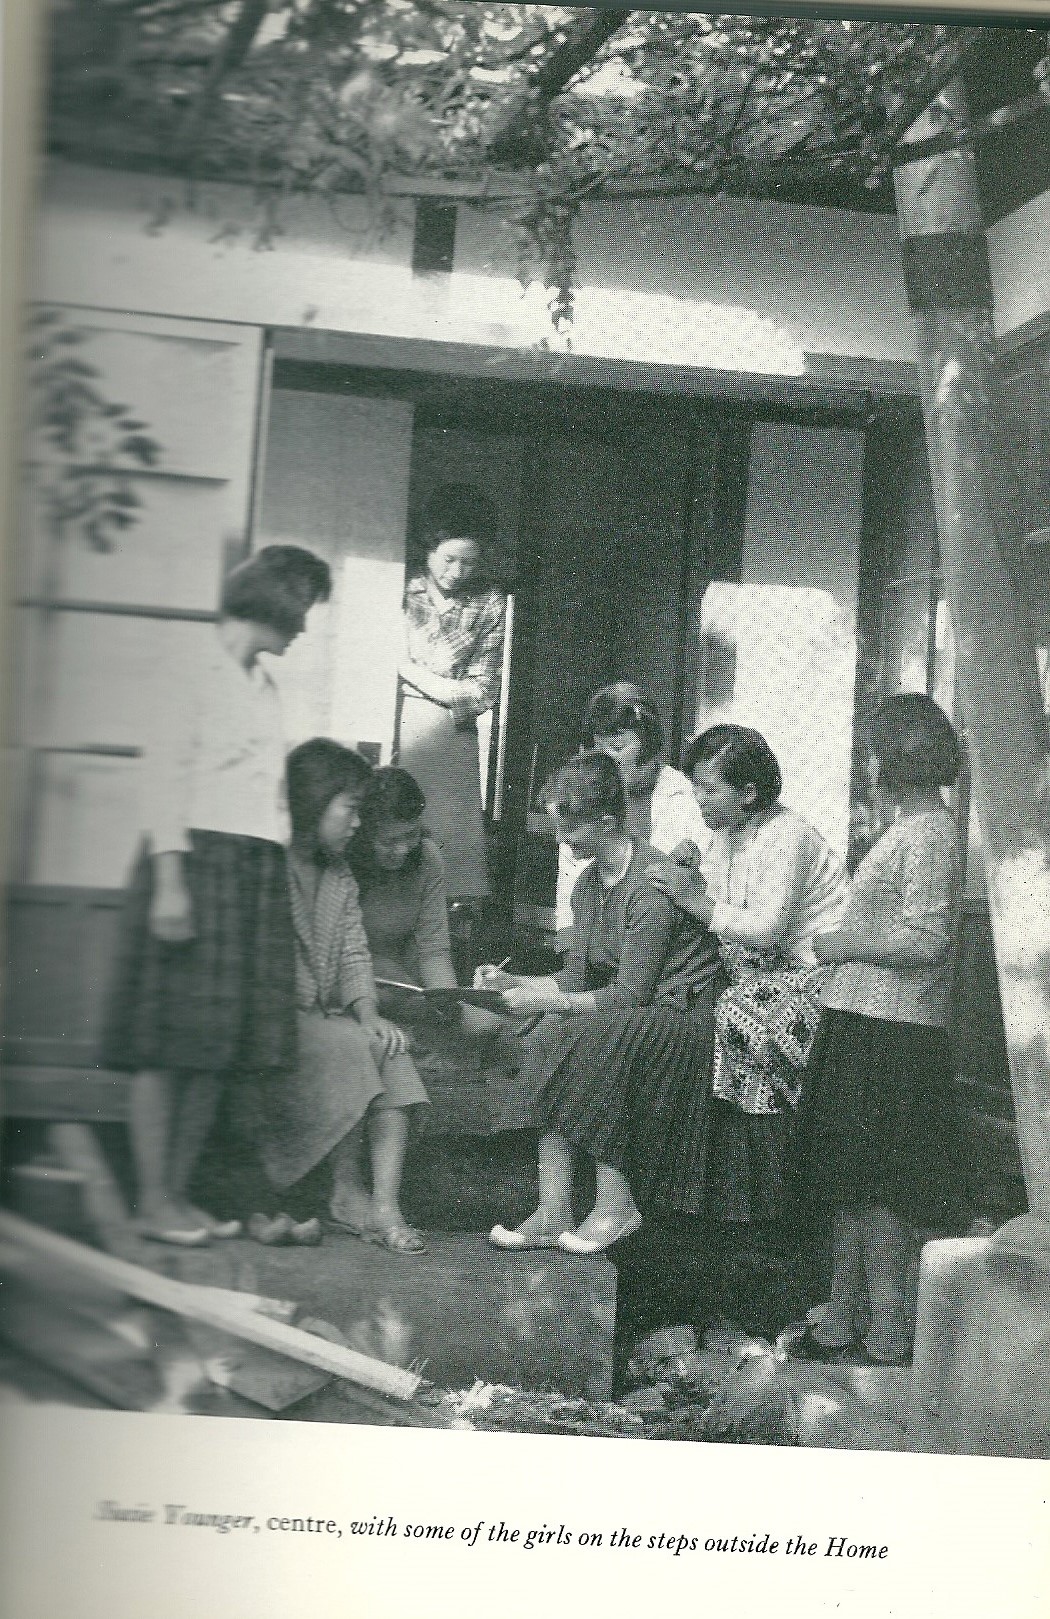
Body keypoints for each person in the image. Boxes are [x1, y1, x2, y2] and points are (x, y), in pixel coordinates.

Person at [99, 545, 332, 1245]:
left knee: (216, 1047)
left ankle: (173, 1194)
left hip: (251, 871)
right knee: (168, 1042)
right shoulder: (188, 671)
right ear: (276, 599)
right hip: (193, 864)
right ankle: (151, 1197)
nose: (304, 628)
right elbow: (163, 780)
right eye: (303, 610)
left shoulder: (263, 684)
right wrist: (171, 881)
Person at [481, 752, 721, 1256]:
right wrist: (511, 983)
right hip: (632, 1009)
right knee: (554, 1035)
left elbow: (630, 993)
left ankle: (617, 1206)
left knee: (597, 1038)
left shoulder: (652, 883)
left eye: (570, 827)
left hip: (681, 1012)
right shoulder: (590, 886)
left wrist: (542, 998)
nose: (562, 840)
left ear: (608, 819)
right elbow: (576, 978)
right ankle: (553, 1208)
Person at [794, 694, 962, 1366]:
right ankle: (844, 1313)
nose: (867, 761)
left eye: (873, 748)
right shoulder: (912, 828)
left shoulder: (926, 834)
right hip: (865, 1020)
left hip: (896, 1030)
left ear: (895, 756)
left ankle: (885, 1329)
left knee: (882, 1189)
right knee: (851, 1181)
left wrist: (844, 943)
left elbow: (928, 938)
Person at [647, 724, 849, 1229]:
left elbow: (765, 929)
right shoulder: (725, 834)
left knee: (737, 1016)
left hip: (817, 977)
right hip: (757, 976)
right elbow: (716, 900)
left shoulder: (789, 835)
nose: (698, 799)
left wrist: (696, 899)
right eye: (694, 785)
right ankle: (718, 1195)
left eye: (708, 788)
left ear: (748, 792)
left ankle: (768, 1199)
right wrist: (691, 872)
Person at [254, 740, 429, 1256]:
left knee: (391, 1052)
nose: (356, 824)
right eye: (349, 809)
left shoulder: (340, 875)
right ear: (313, 804)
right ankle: (345, 1194)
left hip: (325, 1014)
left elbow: (355, 955)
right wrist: (347, 1024)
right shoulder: (272, 865)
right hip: (279, 1017)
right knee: (355, 1049)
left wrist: (370, 1014)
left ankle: (384, 1205)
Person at [397, 483, 506, 900]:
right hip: (396, 722)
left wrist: (410, 672)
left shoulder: (490, 603)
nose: (457, 573)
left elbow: (482, 692)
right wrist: (444, 685)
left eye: (469, 563)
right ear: (428, 547)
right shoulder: (402, 586)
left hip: (450, 735)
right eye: (449, 559)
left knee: (443, 864)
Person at [554, 684, 709, 954]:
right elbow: (570, 892)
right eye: (598, 746)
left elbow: (700, 889)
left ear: (648, 745)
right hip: (598, 950)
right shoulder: (586, 800)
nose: (605, 758)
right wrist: (573, 957)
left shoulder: (686, 798)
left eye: (617, 746)